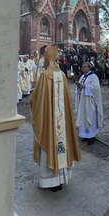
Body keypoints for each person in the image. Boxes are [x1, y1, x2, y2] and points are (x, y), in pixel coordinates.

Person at [31, 46, 81, 192]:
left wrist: (33, 99)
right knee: (61, 143)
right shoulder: (63, 75)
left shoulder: (45, 75)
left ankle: (50, 182)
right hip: (61, 120)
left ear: (47, 60)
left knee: (50, 142)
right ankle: (60, 179)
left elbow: (37, 99)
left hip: (48, 120)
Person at [75, 61, 104, 145]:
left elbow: (96, 88)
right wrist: (78, 86)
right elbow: (80, 86)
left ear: (89, 67)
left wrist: (86, 86)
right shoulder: (83, 76)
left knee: (90, 117)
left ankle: (92, 136)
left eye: (85, 66)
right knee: (84, 117)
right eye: (83, 66)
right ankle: (85, 135)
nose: (83, 68)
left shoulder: (93, 76)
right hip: (83, 101)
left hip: (90, 102)